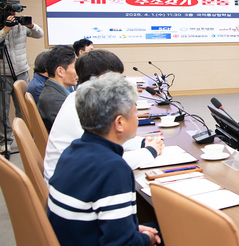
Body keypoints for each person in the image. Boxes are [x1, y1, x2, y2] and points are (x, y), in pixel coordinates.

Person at [47, 73, 174, 246]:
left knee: (173, 230)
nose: (137, 117)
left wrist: (133, 231)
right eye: (135, 112)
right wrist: (144, 239)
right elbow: (121, 245)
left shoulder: (73, 151)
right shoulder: (112, 167)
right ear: (119, 123)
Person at [44, 50, 163, 181]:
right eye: (119, 79)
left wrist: (142, 143)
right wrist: (150, 151)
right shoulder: (82, 109)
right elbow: (109, 161)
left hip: (73, 177)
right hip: (71, 181)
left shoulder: (80, 98)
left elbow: (108, 139)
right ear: (103, 79)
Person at [0, 0, 44, 153]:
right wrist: (5, 30)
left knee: (23, 108)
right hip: (0, 73)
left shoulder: (20, 24)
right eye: (11, 10)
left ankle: (26, 138)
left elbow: (39, 34)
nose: (14, 14)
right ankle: (5, 141)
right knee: (1, 110)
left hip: (21, 71)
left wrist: (31, 25)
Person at [37, 45, 78, 132]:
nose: (78, 71)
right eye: (75, 67)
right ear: (60, 71)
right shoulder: (54, 99)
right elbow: (74, 129)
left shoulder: (54, 92)